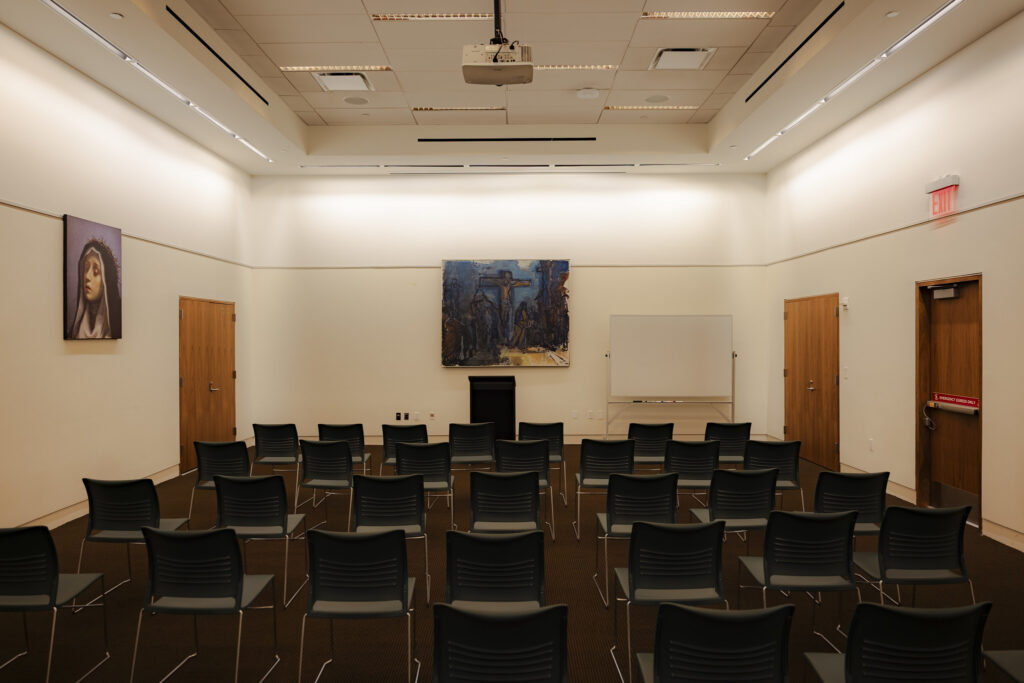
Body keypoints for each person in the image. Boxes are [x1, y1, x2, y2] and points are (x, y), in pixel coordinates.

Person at [69, 239, 121, 339]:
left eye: (96, 271)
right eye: (86, 268)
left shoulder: (114, 330)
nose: (87, 276)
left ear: (106, 280)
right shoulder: (74, 332)